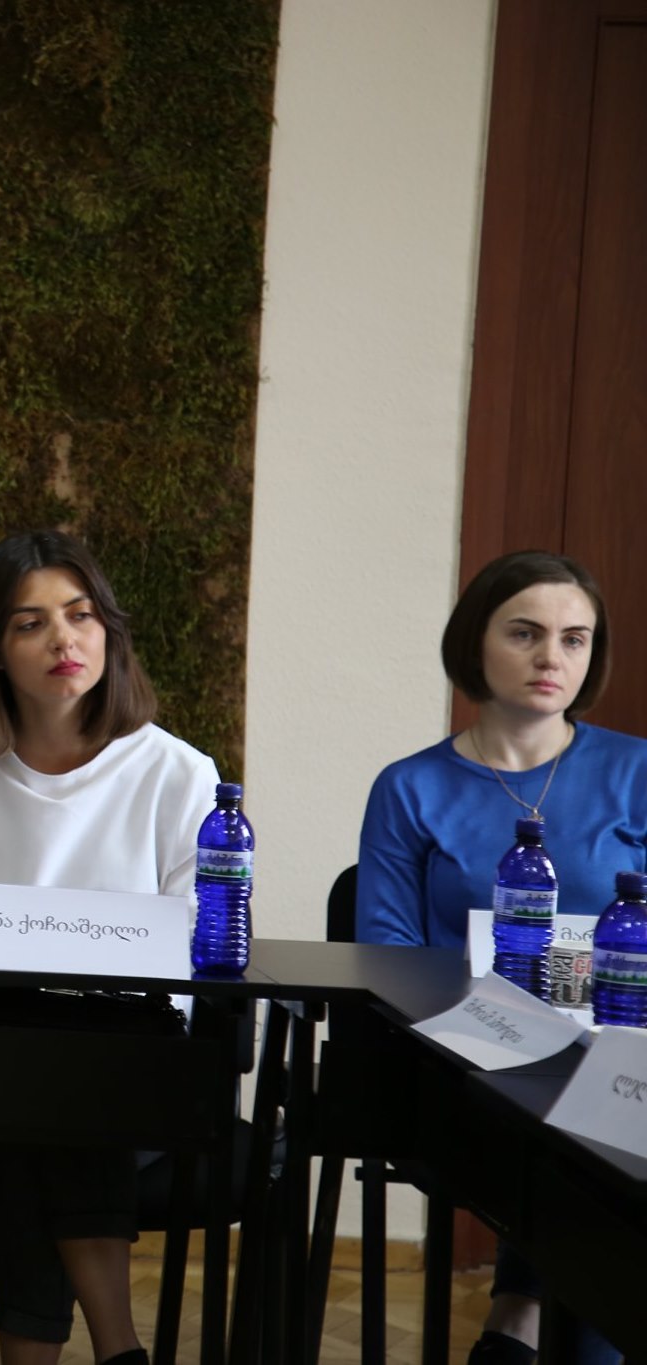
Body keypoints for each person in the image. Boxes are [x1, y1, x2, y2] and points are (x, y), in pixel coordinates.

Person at [0, 529, 219, 1365]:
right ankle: (120, 1346)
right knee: (36, 1064)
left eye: (80, 615)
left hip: (131, 1049)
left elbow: (193, 954)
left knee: (56, 1091)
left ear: (109, 631)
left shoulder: (180, 772)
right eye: (30, 623)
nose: (63, 640)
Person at [357, 549, 646, 1365]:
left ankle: (517, 1316)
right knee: (603, 1133)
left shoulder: (637, 772)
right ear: (474, 643)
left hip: (621, 1058)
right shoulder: (409, 788)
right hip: (468, 1065)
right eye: (525, 633)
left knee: (614, 1107)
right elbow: (388, 959)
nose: (552, 656)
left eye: (574, 638)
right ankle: (526, 1314)